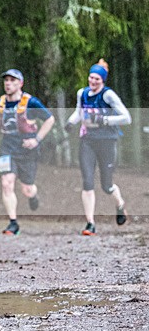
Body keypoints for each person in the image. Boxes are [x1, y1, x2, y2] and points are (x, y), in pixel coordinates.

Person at [64, 59, 131, 235]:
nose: (93, 82)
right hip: (88, 140)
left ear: (103, 81)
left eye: (97, 79)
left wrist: (104, 120)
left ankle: (120, 204)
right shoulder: (83, 93)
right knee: (87, 181)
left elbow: (126, 117)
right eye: (91, 78)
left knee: (106, 185)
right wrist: (71, 122)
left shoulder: (108, 96)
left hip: (107, 141)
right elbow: (79, 111)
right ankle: (90, 223)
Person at [0, 69, 55, 235]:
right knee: (6, 182)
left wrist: (37, 139)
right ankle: (13, 222)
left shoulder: (31, 102)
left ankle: (32, 196)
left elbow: (49, 119)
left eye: (12, 80)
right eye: (6, 80)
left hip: (26, 148)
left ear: (20, 83)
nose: (8, 83)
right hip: (7, 147)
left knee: (27, 188)